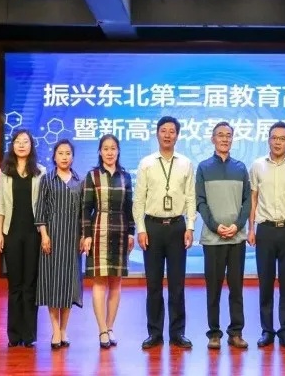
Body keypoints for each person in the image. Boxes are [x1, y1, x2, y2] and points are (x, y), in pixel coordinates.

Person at [133, 116, 196, 349]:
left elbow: (190, 198)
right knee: (154, 284)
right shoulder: (146, 163)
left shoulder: (186, 163)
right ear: (157, 134)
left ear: (177, 135)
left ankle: (178, 333)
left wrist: (190, 226)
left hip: (178, 227)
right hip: (152, 227)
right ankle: (155, 333)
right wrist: (141, 229)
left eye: (172, 131)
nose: (168, 135)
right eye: (163, 130)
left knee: (177, 284)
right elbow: (139, 200)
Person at [248, 121, 285, 349]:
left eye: (282, 139)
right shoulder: (257, 165)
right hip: (264, 230)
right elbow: (253, 199)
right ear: (268, 140)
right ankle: (267, 330)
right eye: (274, 138)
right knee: (265, 283)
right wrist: (251, 228)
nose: (277, 142)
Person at [196, 121, 251, 350]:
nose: (225, 139)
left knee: (236, 288)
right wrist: (215, 226)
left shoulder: (240, 168)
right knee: (214, 289)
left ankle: (236, 332)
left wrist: (237, 226)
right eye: (220, 135)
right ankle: (214, 333)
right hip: (213, 239)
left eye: (228, 135)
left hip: (237, 239)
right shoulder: (203, 167)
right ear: (213, 139)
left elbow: (248, 201)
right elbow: (200, 202)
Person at [81, 134, 135, 349]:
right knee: (100, 281)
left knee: (116, 281)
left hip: (120, 231)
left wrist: (131, 232)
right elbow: (86, 208)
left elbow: (129, 207)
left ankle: (111, 327)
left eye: (113, 148)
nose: (110, 152)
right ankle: (102, 330)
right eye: (105, 148)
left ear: (118, 151)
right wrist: (86, 235)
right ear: (100, 152)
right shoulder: (92, 176)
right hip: (99, 231)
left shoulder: (126, 177)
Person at [0, 129, 46, 347]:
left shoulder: (40, 171)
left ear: (31, 145)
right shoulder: (5, 171)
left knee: (30, 284)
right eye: (18, 141)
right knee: (15, 284)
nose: (22, 145)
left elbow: (43, 205)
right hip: (12, 233)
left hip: (33, 234)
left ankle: (29, 335)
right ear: (12, 145)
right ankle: (14, 335)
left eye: (26, 141)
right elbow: (0, 204)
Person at [35, 139, 83, 349]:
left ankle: (64, 330)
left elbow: (83, 214)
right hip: (52, 238)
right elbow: (40, 210)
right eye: (61, 153)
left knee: (68, 284)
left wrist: (83, 236)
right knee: (53, 284)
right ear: (54, 157)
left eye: (68, 153)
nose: (64, 157)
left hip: (72, 239)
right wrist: (44, 235)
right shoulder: (47, 179)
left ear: (72, 157)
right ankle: (55, 330)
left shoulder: (80, 181)